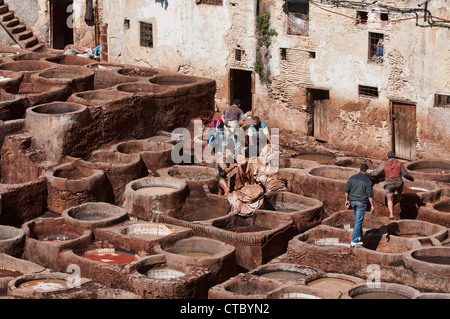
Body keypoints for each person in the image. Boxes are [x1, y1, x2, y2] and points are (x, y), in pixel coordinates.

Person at [371, 151, 414, 220]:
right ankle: (399, 197)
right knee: (401, 184)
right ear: (394, 156)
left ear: (387, 157)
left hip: (389, 185)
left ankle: (391, 215)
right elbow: (405, 174)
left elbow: (376, 173)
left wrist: (372, 175)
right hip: (398, 183)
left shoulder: (384, 164)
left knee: (389, 200)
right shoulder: (399, 163)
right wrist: (411, 178)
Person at [344, 163, 375, 247]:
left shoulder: (352, 177)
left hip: (353, 201)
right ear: (366, 171)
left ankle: (360, 236)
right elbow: (370, 195)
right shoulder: (367, 180)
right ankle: (354, 240)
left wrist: (347, 200)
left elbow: (346, 190)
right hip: (361, 203)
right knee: (358, 221)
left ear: (359, 169)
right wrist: (372, 205)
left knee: (357, 219)